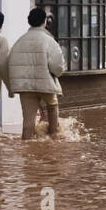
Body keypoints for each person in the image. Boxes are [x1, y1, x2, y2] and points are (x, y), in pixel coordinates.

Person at [7, 7, 66, 140]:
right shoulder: (49, 41)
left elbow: (10, 63)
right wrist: (56, 74)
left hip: (25, 86)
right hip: (46, 85)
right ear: (45, 21)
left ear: (29, 22)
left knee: (28, 123)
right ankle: (54, 140)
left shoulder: (19, 41)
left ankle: (27, 151)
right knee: (52, 108)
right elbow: (58, 67)